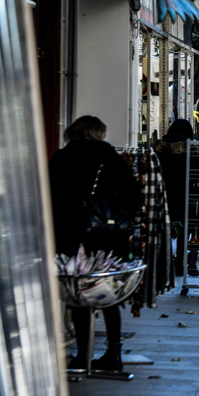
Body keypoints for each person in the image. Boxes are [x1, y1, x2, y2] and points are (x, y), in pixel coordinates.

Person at [49, 116, 141, 372]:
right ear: (100, 133)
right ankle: (114, 353)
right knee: (108, 291)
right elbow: (133, 196)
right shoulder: (113, 159)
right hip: (107, 236)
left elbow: (48, 195)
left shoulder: (61, 158)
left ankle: (82, 355)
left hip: (71, 236)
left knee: (78, 293)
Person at [155, 118, 192, 274]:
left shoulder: (158, 147)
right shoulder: (189, 148)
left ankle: (165, 260)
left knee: (164, 226)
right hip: (183, 193)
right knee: (184, 227)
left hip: (163, 193)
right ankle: (181, 260)